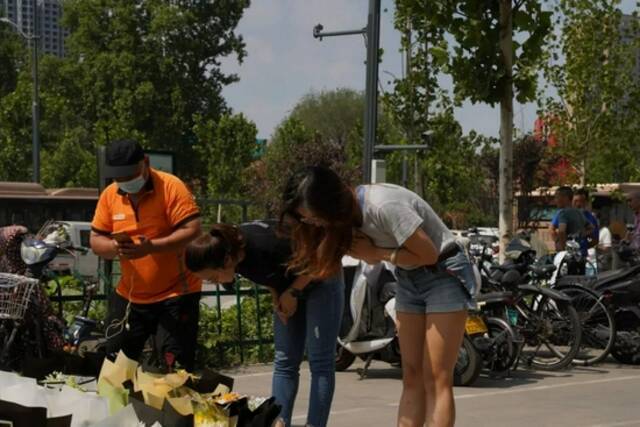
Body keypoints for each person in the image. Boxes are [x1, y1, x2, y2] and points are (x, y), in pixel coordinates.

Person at [280, 166, 476, 427]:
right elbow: (323, 263)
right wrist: (291, 291)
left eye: (313, 218)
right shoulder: (345, 220)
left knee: (436, 377)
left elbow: (428, 254)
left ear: (329, 204)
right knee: (412, 375)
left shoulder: (383, 206)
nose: (313, 224)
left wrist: (377, 254)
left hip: (444, 272)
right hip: (408, 277)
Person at [185, 220, 343, 427]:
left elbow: (318, 257)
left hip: (322, 276)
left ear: (225, 260)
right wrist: (277, 295)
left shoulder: (264, 243)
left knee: (320, 361)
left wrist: (293, 292)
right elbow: (268, 274)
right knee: (284, 360)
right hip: (289, 285)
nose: (216, 283)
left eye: (213, 277)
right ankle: (278, 421)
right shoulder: (233, 251)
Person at [90, 139, 202, 370]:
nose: (125, 183)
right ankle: (119, 404)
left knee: (174, 368)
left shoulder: (171, 187)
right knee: (113, 365)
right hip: (130, 295)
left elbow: (192, 231)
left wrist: (152, 247)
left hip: (176, 294)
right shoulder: (110, 195)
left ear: (146, 163)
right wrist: (114, 247)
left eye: (130, 176)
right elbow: (96, 240)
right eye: (118, 178)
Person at [550, 186, 588, 254]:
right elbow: (591, 228)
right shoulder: (579, 213)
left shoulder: (563, 213)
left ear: (565, 198)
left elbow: (561, 231)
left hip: (567, 253)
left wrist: (561, 245)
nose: (555, 200)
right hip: (579, 252)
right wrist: (580, 235)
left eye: (557, 197)